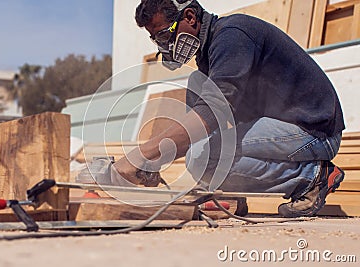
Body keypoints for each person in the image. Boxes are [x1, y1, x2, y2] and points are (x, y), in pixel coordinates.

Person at [113, 0, 345, 218]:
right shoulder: (212, 53)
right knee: (197, 85)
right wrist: (153, 162)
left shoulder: (232, 37)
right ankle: (231, 194)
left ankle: (312, 176)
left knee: (201, 158)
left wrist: (139, 156)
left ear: (190, 17)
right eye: (156, 40)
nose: (164, 45)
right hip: (283, 124)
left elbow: (210, 114)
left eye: (164, 34)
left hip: (314, 131)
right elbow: (200, 129)